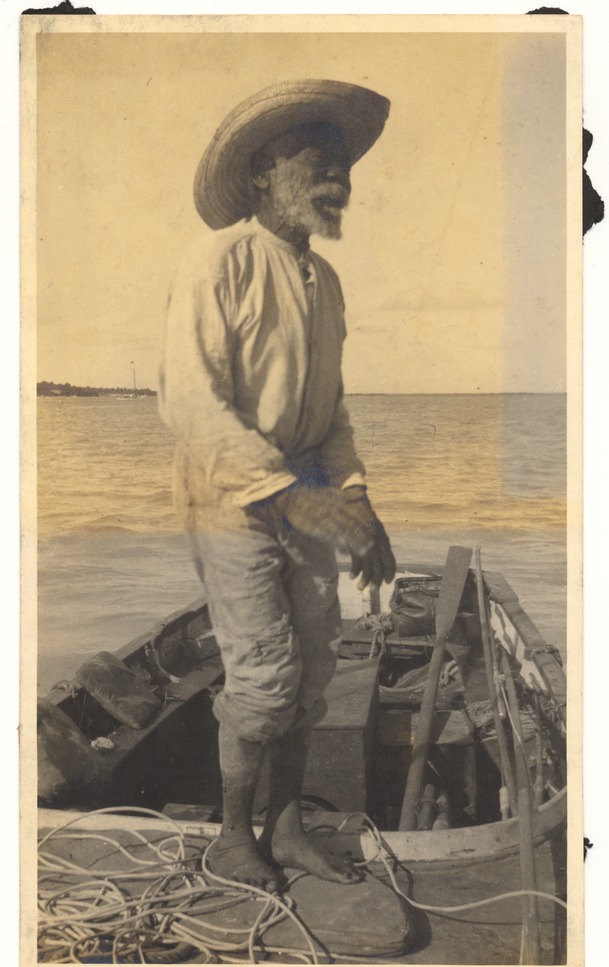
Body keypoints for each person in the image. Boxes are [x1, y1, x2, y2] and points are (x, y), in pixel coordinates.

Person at [159, 79, 396, 891]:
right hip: (227, 496)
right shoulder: (217, 259)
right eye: (315, 157)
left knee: (314, 672)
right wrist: (296, 497)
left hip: (303, 494)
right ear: (262, 171)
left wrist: (356, 502)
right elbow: (189, 400)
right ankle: (232, 838)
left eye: (342, 163)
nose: (337, 174)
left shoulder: (322, 281)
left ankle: (286, 825)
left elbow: (329, 412)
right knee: (261, 679)